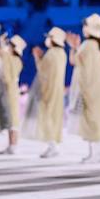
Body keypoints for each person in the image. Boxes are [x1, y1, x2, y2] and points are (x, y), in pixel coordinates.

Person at [69, 15, 100, 163]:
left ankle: (95, 154)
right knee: (97, 121)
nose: (83, 28)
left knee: (91, 121)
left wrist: (73, 47)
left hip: (90, 89)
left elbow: (74, 61)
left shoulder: (87, 45)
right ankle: (97, 153)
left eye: (85, 25)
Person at [30, 27, 68, 158]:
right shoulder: (62, 53)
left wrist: (37, 58)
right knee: (54, 117)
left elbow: (42, 71)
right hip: (57, 89)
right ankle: (54, 145)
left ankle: (52, 146)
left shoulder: (51, 54)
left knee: (48, 117)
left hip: (49, 90)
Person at [0, 31, 25, 156]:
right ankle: (11, 145)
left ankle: (13, 145)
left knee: (13, 118)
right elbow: (3, 53)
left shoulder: (11, 58)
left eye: (10, 45)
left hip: (9, 89)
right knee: (11, 118)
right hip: (11, 89)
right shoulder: (16, 60)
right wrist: (2, 42)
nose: (8, 47)